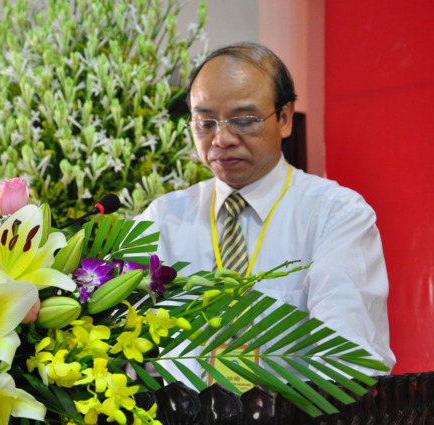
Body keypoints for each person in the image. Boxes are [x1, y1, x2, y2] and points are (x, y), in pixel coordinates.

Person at [135, 42, 395, 383]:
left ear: (284, 118)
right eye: (205, 122)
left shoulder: (335, 215)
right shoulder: (163, 218)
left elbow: (346, 362)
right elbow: (131, 349)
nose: (222, 139)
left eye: (244, 120)